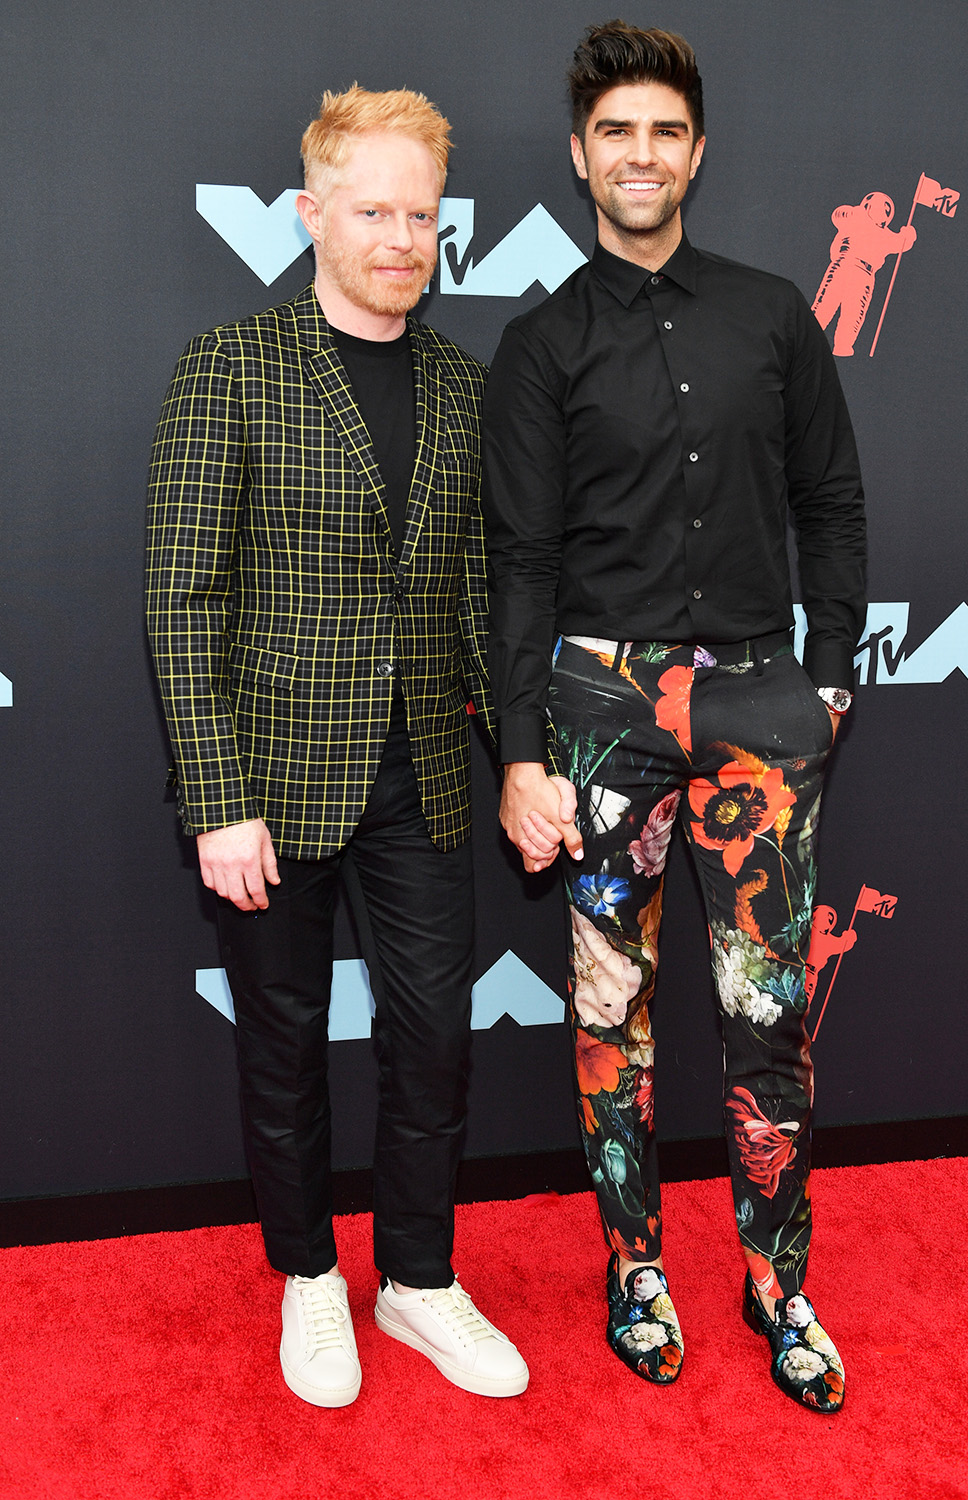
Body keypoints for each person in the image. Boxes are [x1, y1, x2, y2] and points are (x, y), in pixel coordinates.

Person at [482, 22, 864, 1413]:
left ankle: (781, 1284)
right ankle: (634, 1267)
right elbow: (517, 562)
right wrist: (522, 750)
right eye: (615, 132)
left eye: (664, 131)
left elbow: (831, 502)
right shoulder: (539, 345)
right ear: (583, 156)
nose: (639, 155)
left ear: (695, 152)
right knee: (613, 1014)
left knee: (770, 1019)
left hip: (766, 699)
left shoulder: (771, 314)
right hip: (602, 710)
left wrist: (828, 683)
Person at [146, 85, 528, 1408]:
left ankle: (417, 1282)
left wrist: (521, 757)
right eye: (373, 210)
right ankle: (311, 1281)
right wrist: (216, 798)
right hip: (267, 787)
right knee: (286, 1044)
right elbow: (181, 599)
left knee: (435, 1042)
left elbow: (480, 603)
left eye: (420, 214)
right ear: (311, 212)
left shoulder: (465, 387)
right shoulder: (228, 365)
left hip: (422, 776)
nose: (400, 237)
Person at [811, 192, 916, 356]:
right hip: (843, 264)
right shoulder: (854, 217)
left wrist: (908, 235)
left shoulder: (885, 234)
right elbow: (838, 215)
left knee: (853, 313)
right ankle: (806, 338)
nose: (883, 210)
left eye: (887, 209)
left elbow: (900, 243)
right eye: (881, 205)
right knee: (826, 304)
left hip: (864, 274)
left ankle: (842, 347)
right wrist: (853, 212)